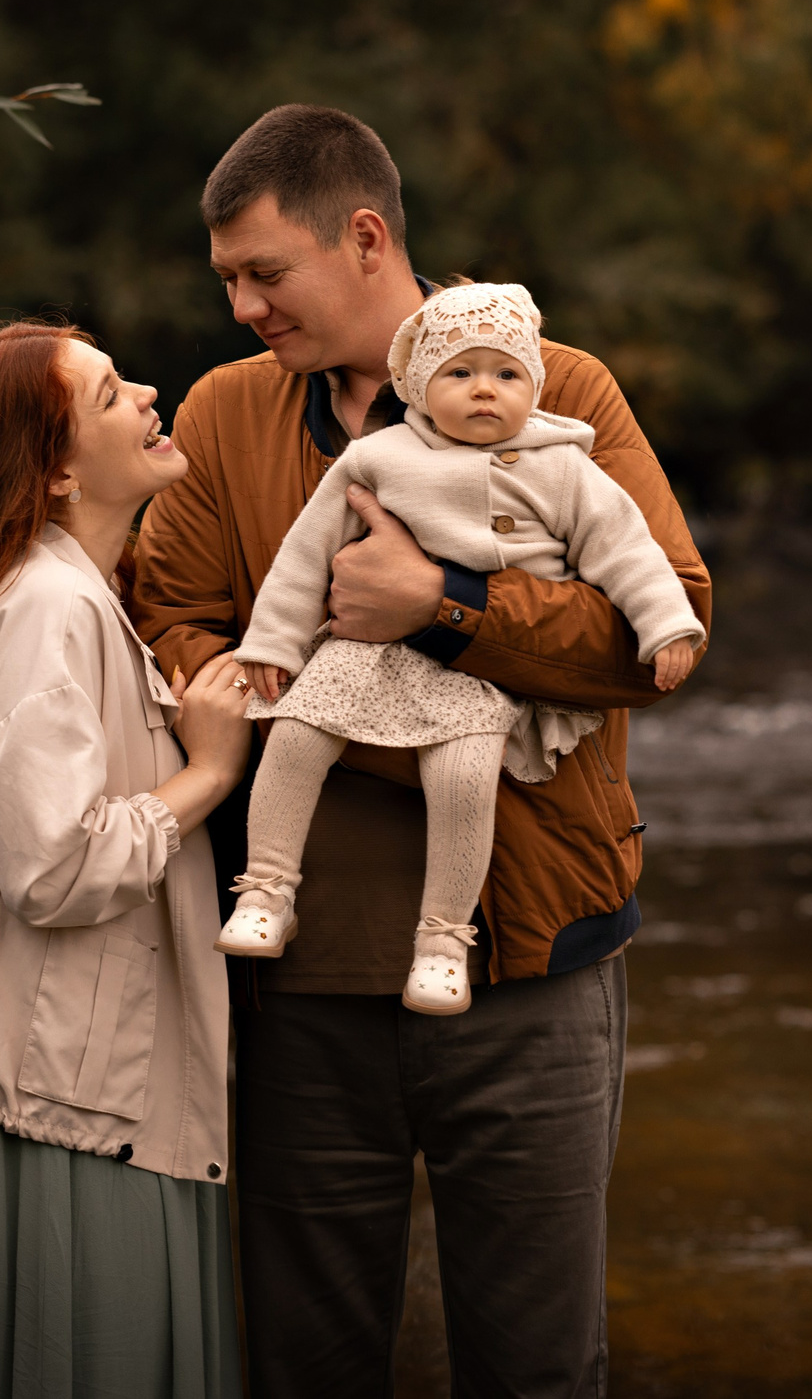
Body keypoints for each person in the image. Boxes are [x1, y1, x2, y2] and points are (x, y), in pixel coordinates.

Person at [133, 104, 710, 1399]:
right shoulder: (226, 418)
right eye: (226, 278)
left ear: (365, 236)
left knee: (536, 1368)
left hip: (529, 968)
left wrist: (447, 606)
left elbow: (663, 627)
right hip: (301, 994)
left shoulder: (559, 388)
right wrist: (295, 701)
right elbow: (171, 614)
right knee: (307, 1367)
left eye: (263, 273)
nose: (240, 307)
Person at [0, 321, 253, 1399]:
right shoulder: (49, 609)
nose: (150, 396)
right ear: (58, 468)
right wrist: (207, 772)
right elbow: (57, 865)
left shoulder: (75, 593)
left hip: (78, 1100)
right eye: (116, 392)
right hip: (72, 1123)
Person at [219, 280, 704, 1014]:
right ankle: (266, 889)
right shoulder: (379, 456)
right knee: (293, 733)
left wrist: (666, 625)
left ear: (533, 389)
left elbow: (628, 551)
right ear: (417, 384)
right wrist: (276, 644)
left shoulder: (564, 465)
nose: (486, 392)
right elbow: (306, 553)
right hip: (363, 652)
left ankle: (443, 941)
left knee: (466, 778)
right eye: (460, 374)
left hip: (475, 663)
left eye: (506, 375)